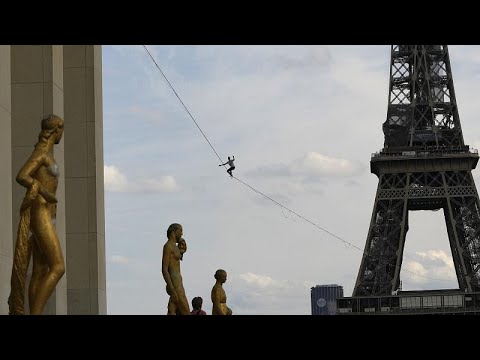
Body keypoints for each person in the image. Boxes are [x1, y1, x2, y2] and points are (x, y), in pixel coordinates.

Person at [8, 114, 65, 315]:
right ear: (56, 129)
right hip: (39, 212)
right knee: (58, 266)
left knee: (40, 271)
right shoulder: (40, 153)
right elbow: (22, 175)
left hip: (47, 214)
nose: (62, 134)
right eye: (61, 129)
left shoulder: (48, 155)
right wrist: (43, 191)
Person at [162, 223, 191, 315]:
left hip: (178, 281)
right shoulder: (168, 246)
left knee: (173, 311)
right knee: (186, 311)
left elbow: (180, 253)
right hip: (175, 283)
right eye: (180, 231)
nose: (182, 234)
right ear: (174, 231)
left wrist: (182, 243)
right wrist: (171, 288)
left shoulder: (174, 247)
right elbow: (164, 269)